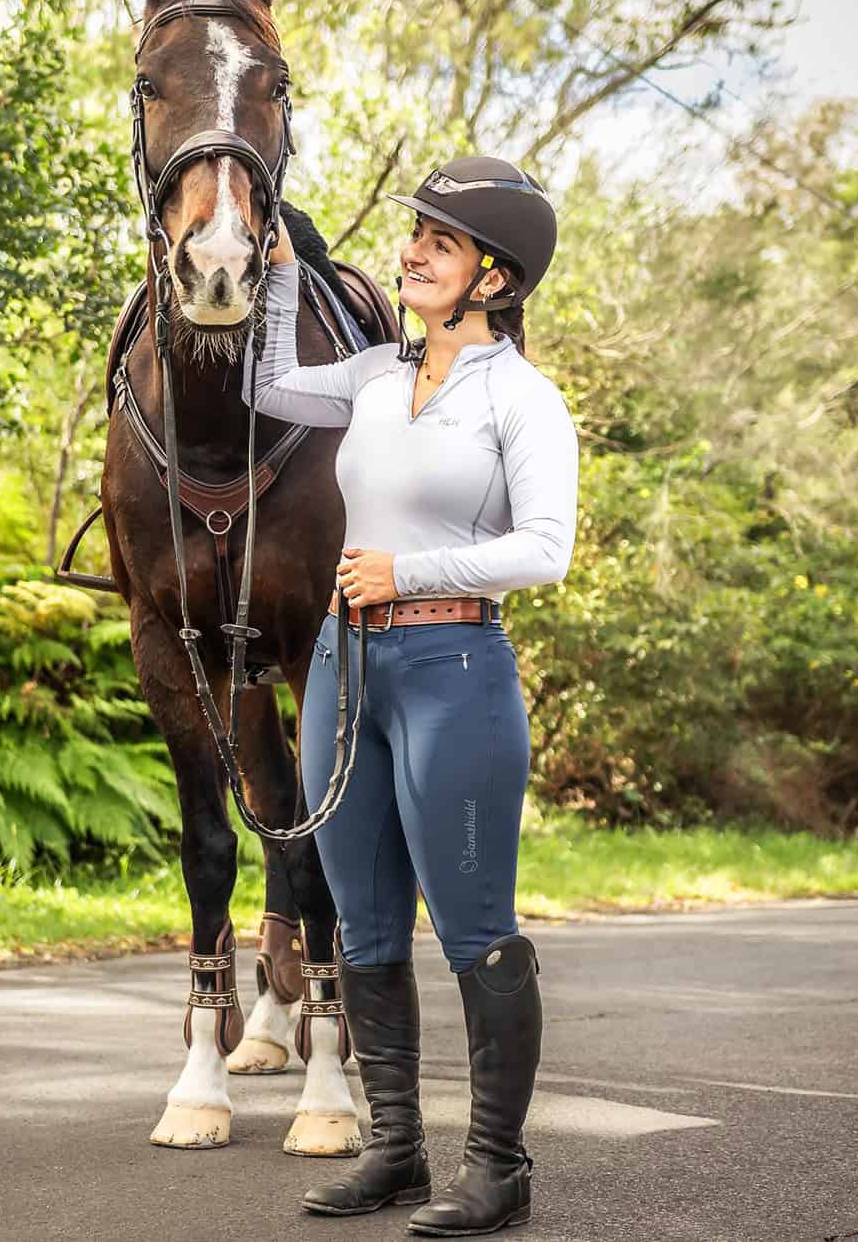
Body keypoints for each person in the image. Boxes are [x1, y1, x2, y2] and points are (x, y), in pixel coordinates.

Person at [240, 156, 579, 1236]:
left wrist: (410, 573)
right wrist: (287, 276)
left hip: (455, 672)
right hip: (346, 668)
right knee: (367, 919)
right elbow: (263, 386)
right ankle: (393, 1150)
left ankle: (498, 1168)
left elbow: (546, 550)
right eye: (417, 233)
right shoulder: (379, 374)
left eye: (441, 238)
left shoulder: (522, 398)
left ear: (495, 277)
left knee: (475, 926)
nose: (415, 250)